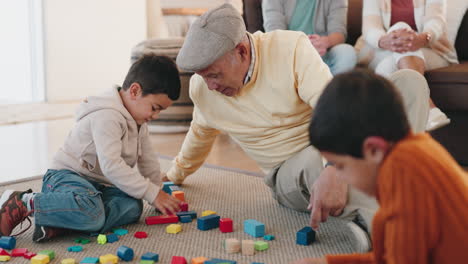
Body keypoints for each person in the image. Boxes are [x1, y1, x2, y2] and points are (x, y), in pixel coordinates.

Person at [166, 3, 431, 252]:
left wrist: (335, 168)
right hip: (289, 172)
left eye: (214, 74)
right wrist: (174, 174)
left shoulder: (290, 47)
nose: (210, 86)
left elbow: (332, 108)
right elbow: (199, 134)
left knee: (409, 82)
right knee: (325, 159)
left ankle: (384, 196)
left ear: (242, 51)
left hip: (330, 144)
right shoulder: (203, 89)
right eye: (203, 77)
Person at [292, 69, 468, 264]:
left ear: (374, 150)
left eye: (341, 166)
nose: (340, 177)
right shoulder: (415, 150)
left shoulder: (408, 185)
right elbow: (386, 258)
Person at [0, 54, 183, 241]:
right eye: (155, 108)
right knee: (93, 213)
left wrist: (157, 192)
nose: (156, 115)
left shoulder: (139, 121)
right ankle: (23, 203)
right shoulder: (107, 116)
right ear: (134, 91)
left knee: (133, 205)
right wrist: (152, 193)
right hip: (67, 178)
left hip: (98, 186)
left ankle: (63, 222)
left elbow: (148, 159)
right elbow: (111, 166)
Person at [358, 0, 458, 131]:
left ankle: (392, 128)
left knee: (387, 66)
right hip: (383, 49)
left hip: (429, 48)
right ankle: (428, 109)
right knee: (392, 49)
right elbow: (370, 27)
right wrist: (385, 40)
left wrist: (422, 38)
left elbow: (436, 21)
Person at [262, 0, 357, 75]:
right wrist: (302, 47)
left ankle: (329, 95)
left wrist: (326, 41)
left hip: (322, 55)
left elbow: (339, 33)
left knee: (347, 53)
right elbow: (274, 34)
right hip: (289, 56)